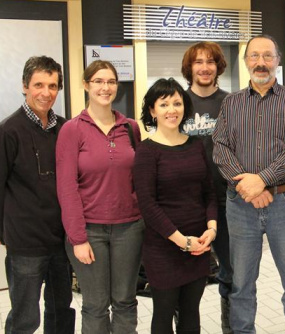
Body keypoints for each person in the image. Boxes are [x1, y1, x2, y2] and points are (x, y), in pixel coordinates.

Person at [213, 34, 285, 334]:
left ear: (278, 60)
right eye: (254, 56)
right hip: (240, 204)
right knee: (241, 282)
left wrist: (262, 181)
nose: (261, 62)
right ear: (245, 62)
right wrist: (248, 186)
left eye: (267, 56)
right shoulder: (231, 104)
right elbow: (220, 147)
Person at [56, 60, 144, 333]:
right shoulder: (72, 129)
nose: (105, 87)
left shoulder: (130, 127)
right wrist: (78, 238)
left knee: (125, 301)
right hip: (89, 231)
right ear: (86, 85)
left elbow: (139, 179)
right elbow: (66, 188)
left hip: (129, 228)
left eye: (110, 82)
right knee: (95, 304)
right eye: (98, 81)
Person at [133, 78, 217, 334]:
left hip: (199, 246)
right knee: (164, 314)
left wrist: (211, 229)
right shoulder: (147, 152)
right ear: (152, 110)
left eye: (177, 103)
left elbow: (209, 192)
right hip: (163, 247)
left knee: (191, 314)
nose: (172, 110)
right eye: (164, 103)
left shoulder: (197, 145)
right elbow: (148, 205)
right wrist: (182, 241)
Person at [0, 56, 75, 334]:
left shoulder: (65, 129)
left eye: (53, 85)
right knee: (24, 318)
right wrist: (4, 234)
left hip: (61, 241)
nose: (46, 93)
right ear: (24, 86)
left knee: (61, 311)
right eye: (39, 85)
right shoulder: (9, 130)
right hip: (25, 244)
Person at [181, 41, 233, 333]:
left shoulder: (232, 102)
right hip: (187, 203)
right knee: (186, 278)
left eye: (210, 62)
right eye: (198, 62)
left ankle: (231, 328)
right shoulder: (178, 102)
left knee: (230, 273)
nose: (204, 67)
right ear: (189, 68)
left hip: (227, 201)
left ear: (218, 67)